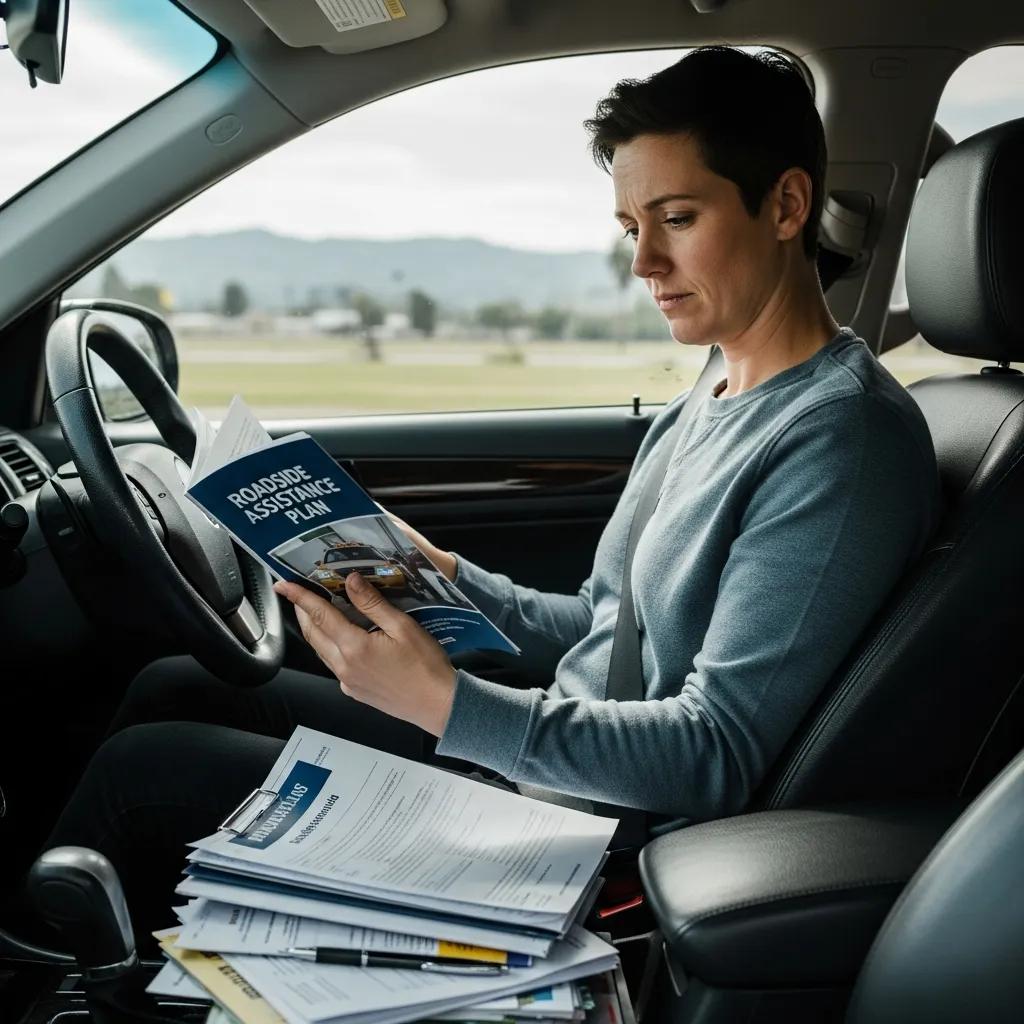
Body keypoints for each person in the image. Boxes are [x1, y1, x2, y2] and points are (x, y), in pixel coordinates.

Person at [40, 46, 941, 941]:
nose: (643, 263)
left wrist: (446, 704)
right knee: (178, 687)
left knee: (143, 772)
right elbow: (603, 628)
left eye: (677, 217)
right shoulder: (715, 390)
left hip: (596, 839)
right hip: (550, 773)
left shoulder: (840, 437)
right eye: (632, 226)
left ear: (785, 204)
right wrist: (443, 575)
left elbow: (712, 753)